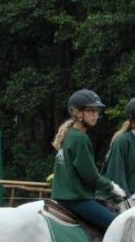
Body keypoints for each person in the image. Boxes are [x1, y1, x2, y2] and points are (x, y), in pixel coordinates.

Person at [51, 88, 126, 230]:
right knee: (118, 227)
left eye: (97, 111)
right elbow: (91, 177)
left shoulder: (69, 134)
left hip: (63, 197)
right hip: (77, 200)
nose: (95, 115)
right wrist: (111, 187)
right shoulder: (80, 139)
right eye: (90, 111)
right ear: (77, 113)